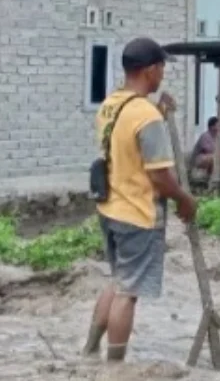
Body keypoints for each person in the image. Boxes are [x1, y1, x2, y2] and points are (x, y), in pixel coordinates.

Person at [83, 37, 196, 362]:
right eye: (161, 68)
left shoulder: (112, 105)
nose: (163, 74)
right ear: (150, 70)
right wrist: (184, 199)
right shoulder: (146, 117)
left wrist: (158, 112)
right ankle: (115, 366)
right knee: (128, 293)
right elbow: (160, 176)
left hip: (110, 207)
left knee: (118, 280)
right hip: (137, 213)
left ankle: (90, 349)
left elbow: (126, 142)